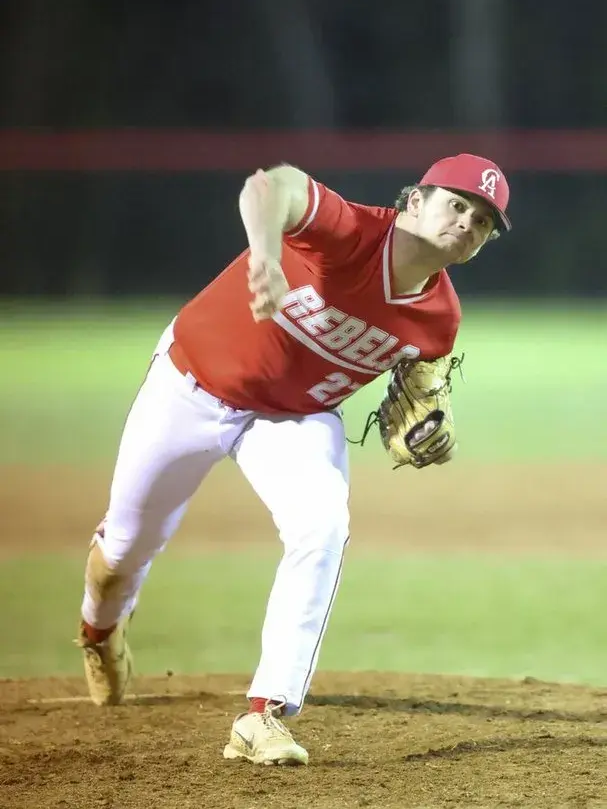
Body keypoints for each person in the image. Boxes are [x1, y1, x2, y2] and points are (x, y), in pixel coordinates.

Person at [77, 152, 511, 766]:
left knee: (322, 527)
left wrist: (432, 437)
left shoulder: (441, 320)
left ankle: (265, 713)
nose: (467, 222)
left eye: (483, 221)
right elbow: (268, 186)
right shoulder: (349, 232)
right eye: (457, 204)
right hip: (189, 386)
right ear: (415, 201)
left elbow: (421, 402)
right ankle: (99, 630)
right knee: (123, 550)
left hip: (294, 418)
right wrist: (264, 254)